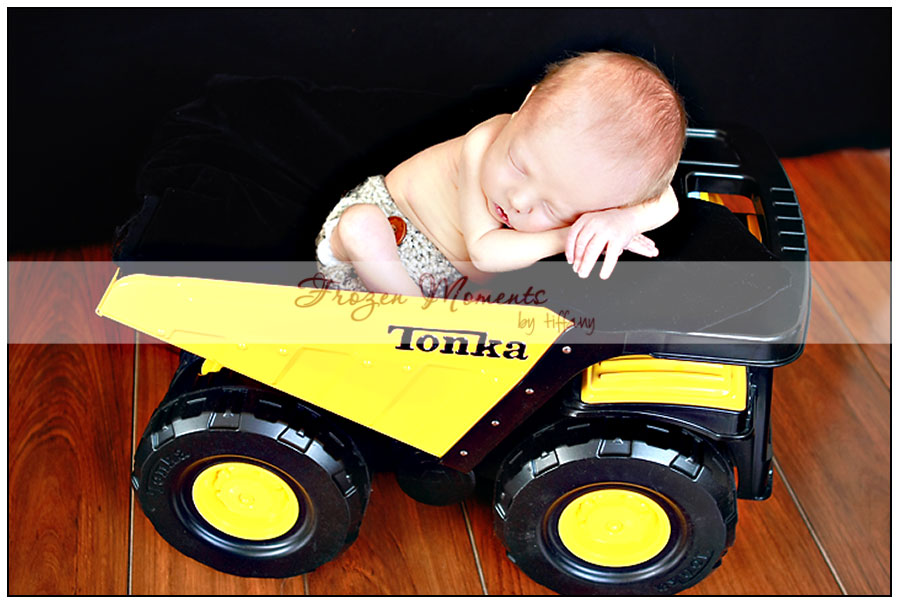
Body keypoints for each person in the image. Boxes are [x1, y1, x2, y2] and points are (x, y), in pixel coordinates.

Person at [315, 50, 685, 298]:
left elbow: (667, 201)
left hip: (444, 285)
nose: (518, 199)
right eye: (518, 166)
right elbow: (484, 254)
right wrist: (568, 234)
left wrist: (620, 220)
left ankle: (418, 317)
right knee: (362, 226)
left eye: (552, 207)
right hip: (386, 236)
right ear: (525, 104)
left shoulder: (587, 183)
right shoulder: (483, 143)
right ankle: (411, 316)